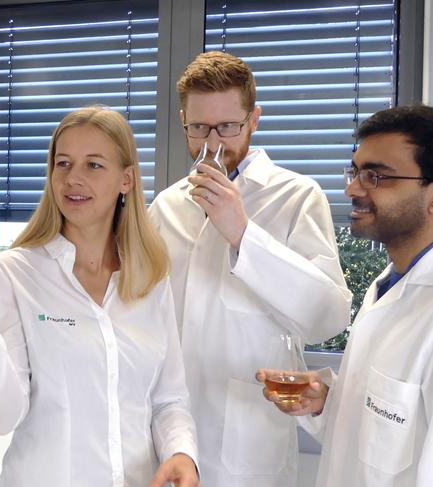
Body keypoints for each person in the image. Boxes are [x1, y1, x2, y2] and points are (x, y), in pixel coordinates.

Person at [0, 106, 199, 487]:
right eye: (63, 163)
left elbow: (169, 400)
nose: (73, 179)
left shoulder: (151, 277)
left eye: (94, 165)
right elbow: (1, 416)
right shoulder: (17, 272)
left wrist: (182, 453)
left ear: (127, 180)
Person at [148, 50, 352, 486]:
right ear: (183, 120)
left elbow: (329, 317)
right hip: (168, 434)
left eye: (228, 126)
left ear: (254, 119)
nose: (213, 143)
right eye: (199, 127)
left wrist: (243, 234)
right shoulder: (167, 205)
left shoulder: (297, 197)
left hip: (249, 439)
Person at [257, 104, 433, 486]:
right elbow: (387, 434)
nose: (352, 188)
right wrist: (329, 403)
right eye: (355, 172)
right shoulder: (385, 288)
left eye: (376, 176)